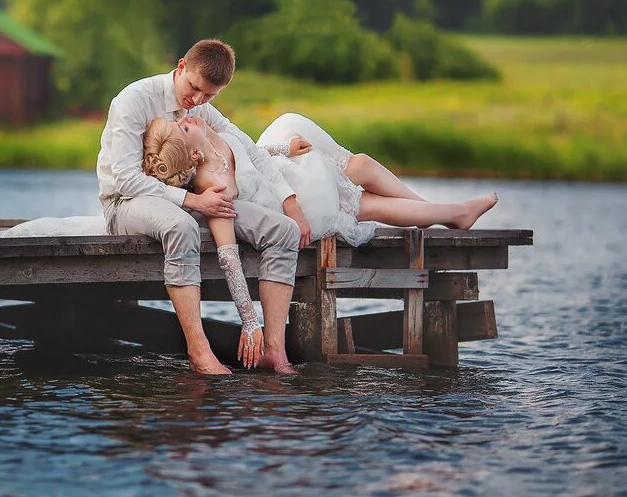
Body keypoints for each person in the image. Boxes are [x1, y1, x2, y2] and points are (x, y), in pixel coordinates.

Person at [142, 113, 499, 370]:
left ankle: (444, 212)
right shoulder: (213, 191)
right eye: (182, 126)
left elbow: (256, 154)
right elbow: (229, 258)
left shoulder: (215, 139)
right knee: (363, 201)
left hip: (285, 181)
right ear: (194, 156)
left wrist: (285, 147)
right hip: (298, 209)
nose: (186, 118)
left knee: (359, 166)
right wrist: (251, 322)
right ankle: (451, 213)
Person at [97, 39, 306, 375]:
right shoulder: (133, 100)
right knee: (180, 227)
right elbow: (124, 179)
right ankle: (199, 352)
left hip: (190, 198)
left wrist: (289, 201)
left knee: (283, 231)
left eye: (208, 95)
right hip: (127, 203)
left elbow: (249, 148)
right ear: (181, 67)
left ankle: (273, 350)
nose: (196, 100)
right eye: (193, 88)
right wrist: (194, 200)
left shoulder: (200, 110)